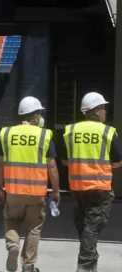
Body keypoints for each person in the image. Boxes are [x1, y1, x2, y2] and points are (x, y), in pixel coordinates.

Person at [0, 96, 61, 272]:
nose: (40, 117)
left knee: (11, 220)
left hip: (14, 191)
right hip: (36, 193)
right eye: (39, 113)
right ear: (34, 116)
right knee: (34, 228)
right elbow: (52, 165)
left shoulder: (7, 134)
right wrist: (56, 191)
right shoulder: (44, 135)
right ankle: (29, 266)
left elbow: (0, 164)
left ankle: (13, 246)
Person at [62, 92, 122, 272]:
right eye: (103, 108)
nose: (105, 112)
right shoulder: (107, 132)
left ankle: (91, 264)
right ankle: (85, 265)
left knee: (85, 226)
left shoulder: (70, 131)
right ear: (96, 111)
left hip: (78, 188)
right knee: (92, 228)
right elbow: (117, 161)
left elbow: (65, 160)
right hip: (99, 188)